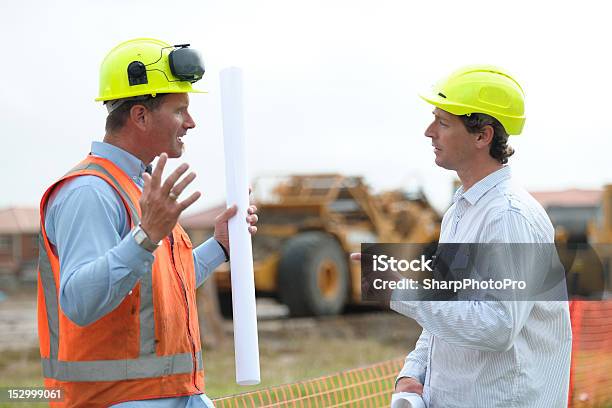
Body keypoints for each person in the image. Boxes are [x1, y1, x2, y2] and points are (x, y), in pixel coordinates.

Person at [37, 38, 258, 407]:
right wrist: (146, 236)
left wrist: (220, 246)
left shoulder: (138, 186)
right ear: (140, 116)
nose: (191, 123)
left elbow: (157, 288)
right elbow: (77, 300)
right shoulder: (89, 191)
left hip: (173, 395)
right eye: (180, 110)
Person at [389, 66, 571, 407]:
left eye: (443, 123)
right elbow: (447, 305)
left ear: (482, 136)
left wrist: (406, 291)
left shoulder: (508, 218)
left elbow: (499, 325)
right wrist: (414, 370)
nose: (429, 132)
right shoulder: (459, 213)